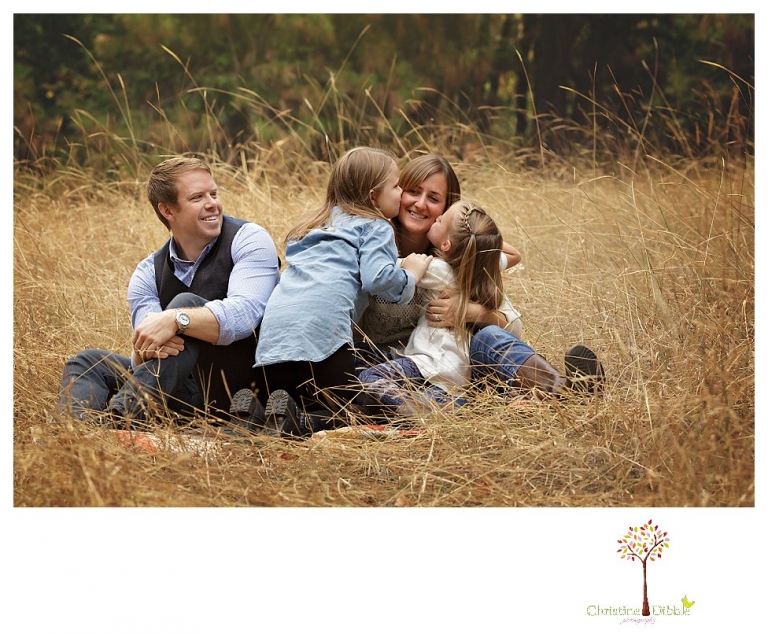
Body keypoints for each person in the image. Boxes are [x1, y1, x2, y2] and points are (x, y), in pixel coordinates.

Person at [355, 153, 605, 401]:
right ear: (397, 192)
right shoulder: (372, 245)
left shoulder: (457, 263)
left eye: (433, 198)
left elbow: (511, 325)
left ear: (447, 207)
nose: (420, 204)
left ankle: (567, 392)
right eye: (413, 191)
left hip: (461, 366)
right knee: (356, 372)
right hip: (397, 363)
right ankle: (465, 406)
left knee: (489, 337)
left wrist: (470, 310)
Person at [57, 156, 281, 427]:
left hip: (245, 387)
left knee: (184, 304)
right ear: (168, 211)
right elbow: (145, 355)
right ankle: (74, 434)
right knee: (87, 362)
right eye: (197, 197)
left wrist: (177, 320)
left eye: (214, 193)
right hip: (182, 391)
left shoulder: (249, 239)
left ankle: (122, 418)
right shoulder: (147, 272)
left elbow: (245, 316)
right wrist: (149, 345)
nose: (213, 204)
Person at [237, 147, 432, 435]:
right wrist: (411, 275)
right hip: (322, 335)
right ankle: (302, 424)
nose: (402, 193)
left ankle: (252, 414)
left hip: (274, 339)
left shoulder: (315, 225)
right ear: (372, 196)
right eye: (396, 185)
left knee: (289, 399)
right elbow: (377, 279)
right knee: (353, 409)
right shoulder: (375, 225)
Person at [359, 200, 524, 414]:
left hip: (429, 362)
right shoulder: (480, 267)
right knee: (429, 397)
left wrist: (409, 264)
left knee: (370, 378)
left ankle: (416, 415)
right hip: (456, 373)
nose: (436, 218)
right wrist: (478, 236)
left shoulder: (438, 269)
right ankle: (453, 408)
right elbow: (514, 255)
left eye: (441, 219)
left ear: (446, 245)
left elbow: (382, 271)